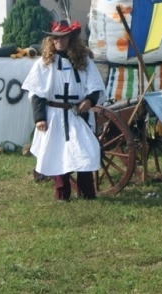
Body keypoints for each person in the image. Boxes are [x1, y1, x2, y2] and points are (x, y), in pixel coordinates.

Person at [22, 20, 105, 201]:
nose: (59, 41)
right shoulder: (44, 63)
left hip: (77, 114)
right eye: (55, 38)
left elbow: (95, 86)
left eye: (63, 37)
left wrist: (89, 100)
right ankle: (62, 194)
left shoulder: (83, 60)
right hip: (54, 115)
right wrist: (39, 118)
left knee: (86, 150)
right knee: (58, 153)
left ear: (70, 38)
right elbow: (36, 92)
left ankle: (87, 193)